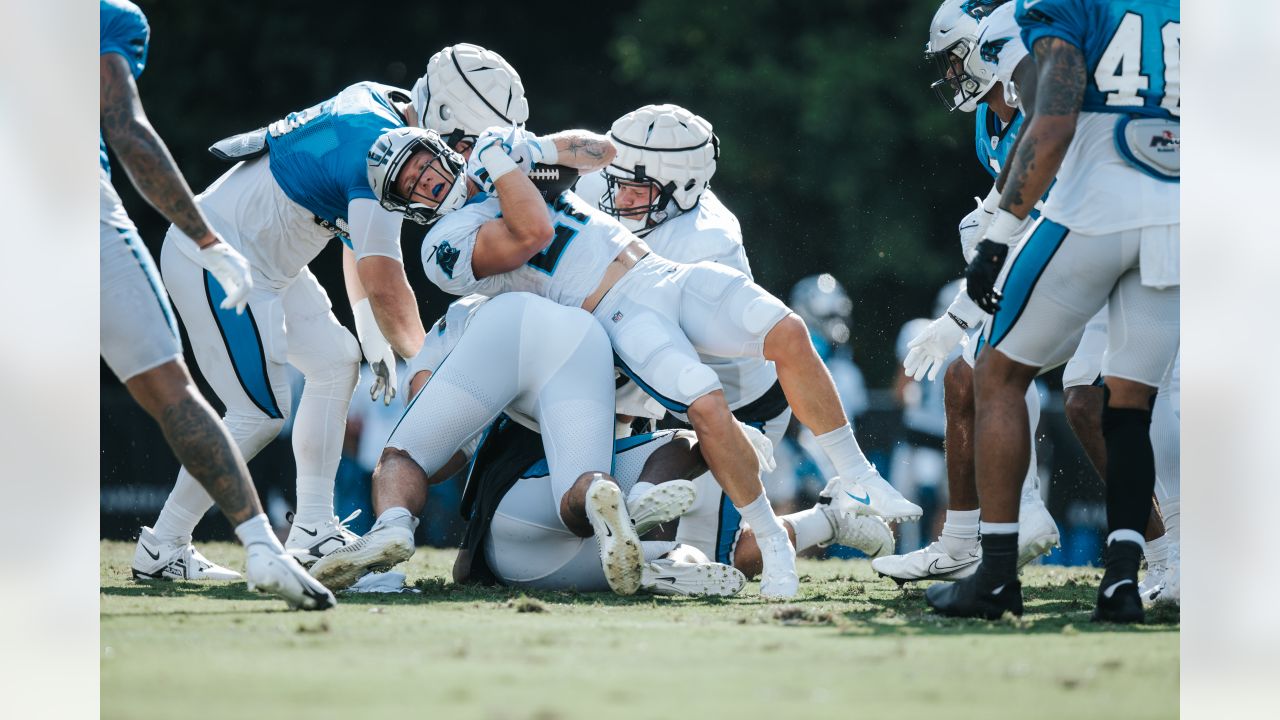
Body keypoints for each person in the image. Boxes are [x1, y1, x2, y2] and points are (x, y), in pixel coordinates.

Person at [367, 122, 920, 598]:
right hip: (616, 312)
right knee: (705, 405)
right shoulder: (444, 242)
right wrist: (497, 162)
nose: (422, 182)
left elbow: (603, 153)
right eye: (407, 187)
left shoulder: (504, 167)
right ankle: (772, 543)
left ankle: (856, 476)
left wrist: (530, 150)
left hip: (659, 273)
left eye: (418, 165)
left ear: (438, 149)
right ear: (407, 206)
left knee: (789, 332)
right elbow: (533, 231)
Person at [928, 0, 1180, 623]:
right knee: (1128, 403)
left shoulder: (1059, 5)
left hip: (1094, 207)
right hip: (1177, 211)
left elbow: (1053, 119)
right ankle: (1127, 578)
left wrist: (997, 235)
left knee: (997, 372)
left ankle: (995, 571)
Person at [101, 0, 333, 609]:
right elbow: (124, 128)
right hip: (84, 216)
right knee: (176, 392)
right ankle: (258, 544)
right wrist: (207, 236)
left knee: (314, 370)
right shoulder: (108, 17)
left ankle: (296, 530)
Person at [309, 293, 682, 596]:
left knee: (404, 454)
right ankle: (606, 497)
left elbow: (425, 404)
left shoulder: (457, 318)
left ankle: (391, 525)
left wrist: (449, 441)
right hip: (589, 334)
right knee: (584, 490)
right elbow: (625, 420)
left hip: (502, 319)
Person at [875, 0, 1060, 583]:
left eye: (956, 58)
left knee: (1114, 398)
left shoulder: (1042, 87)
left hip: (1092, 243)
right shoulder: (989, 118)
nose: (952, 74)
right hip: (1053, 249)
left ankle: (1164, 551)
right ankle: (964, 540)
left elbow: (1036, 189)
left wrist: (961, 310)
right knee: (982, 374)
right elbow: (1007, 193)